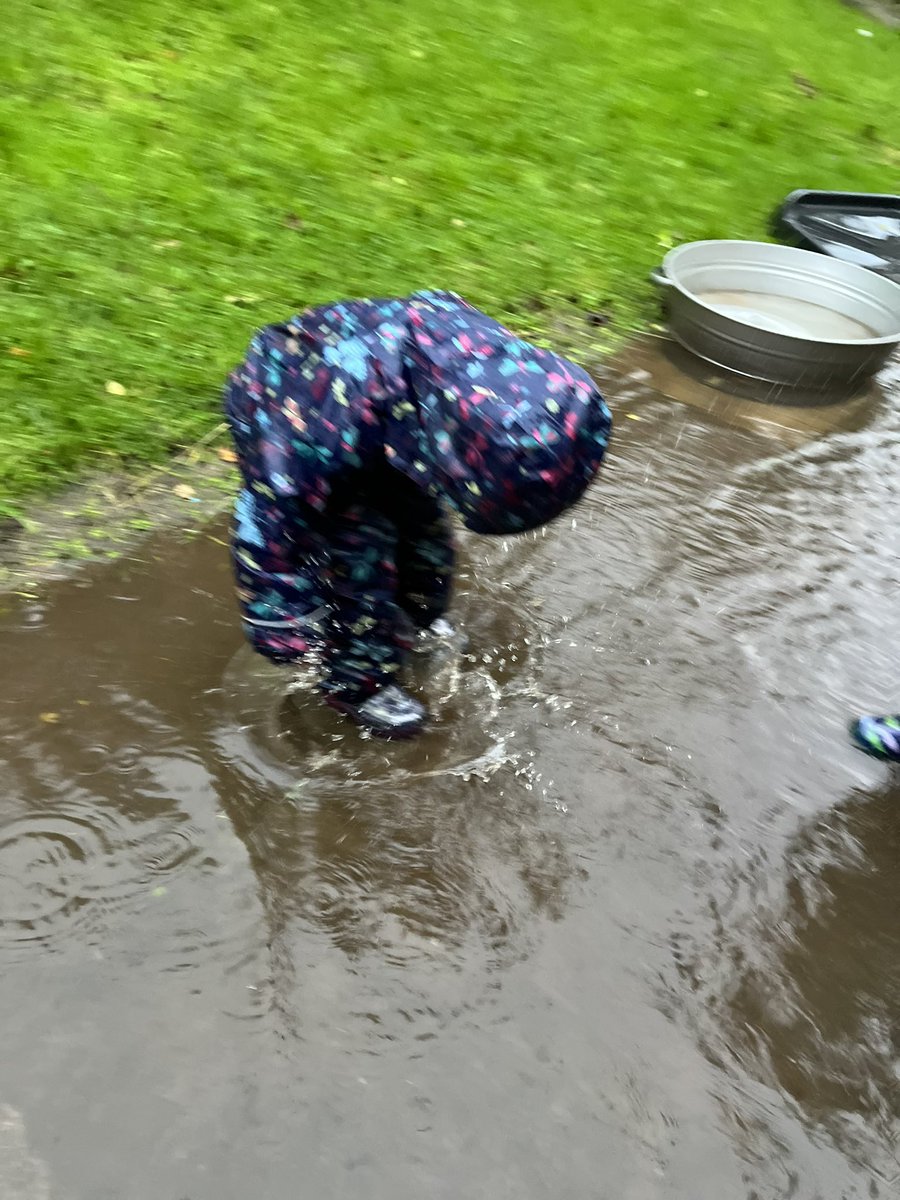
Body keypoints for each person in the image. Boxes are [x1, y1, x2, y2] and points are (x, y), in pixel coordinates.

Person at [224, 289, 612, 738]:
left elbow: (436, 305)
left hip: (392, 423)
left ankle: (416, 617)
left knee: (425, 538)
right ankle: (357, 685)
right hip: (291, 406)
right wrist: (281, 622)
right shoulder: (304, 451)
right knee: (357, 568)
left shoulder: (484, 371)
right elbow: (268, 526)